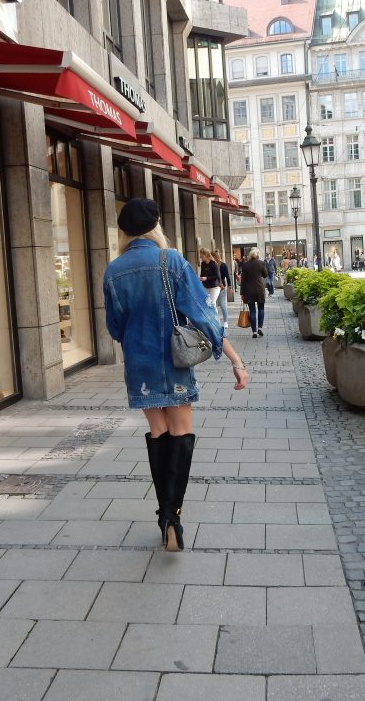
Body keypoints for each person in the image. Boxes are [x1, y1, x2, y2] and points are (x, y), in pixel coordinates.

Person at [103, 199, 248, 552]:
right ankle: (172, 516)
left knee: (159, 433)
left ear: (124, 232)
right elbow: (203, 314)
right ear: (156, 227)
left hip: (139, 364)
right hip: (174, 362)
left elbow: (115, 327)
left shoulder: (114, 270)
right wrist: (234, 359)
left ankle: (165, 516)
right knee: (181, 432)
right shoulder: (172, 261)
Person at [240, 247, 268, 338]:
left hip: (249, 290)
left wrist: (242, 293)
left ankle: (254, 332)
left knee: (252, 310)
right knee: (261, 308)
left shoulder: (245, 265)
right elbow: (265, 275)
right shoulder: (261, 263)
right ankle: (260, 327)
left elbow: (243, 280)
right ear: (257, 255)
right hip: (259, 289)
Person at [198, 248, 222, 324]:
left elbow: (217, 276)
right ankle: (209, 320)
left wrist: (206, 278)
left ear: (206, 255)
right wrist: (200, 279)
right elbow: (202, 274)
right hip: (206, 286)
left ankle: (216, 321)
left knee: (212, 303)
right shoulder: (203, 264)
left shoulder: (213, 263)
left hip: (214, 287)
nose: (200, 257)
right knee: (205, 303)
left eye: (202, 255)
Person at [213, 250, 230, 329]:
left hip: (221, 287)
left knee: (222, 305)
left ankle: (226, 321)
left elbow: (227, 275)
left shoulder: (223, 265)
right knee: (213, 305)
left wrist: (230, 285)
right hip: (213, 287)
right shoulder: (212, 265)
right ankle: (216, 321)